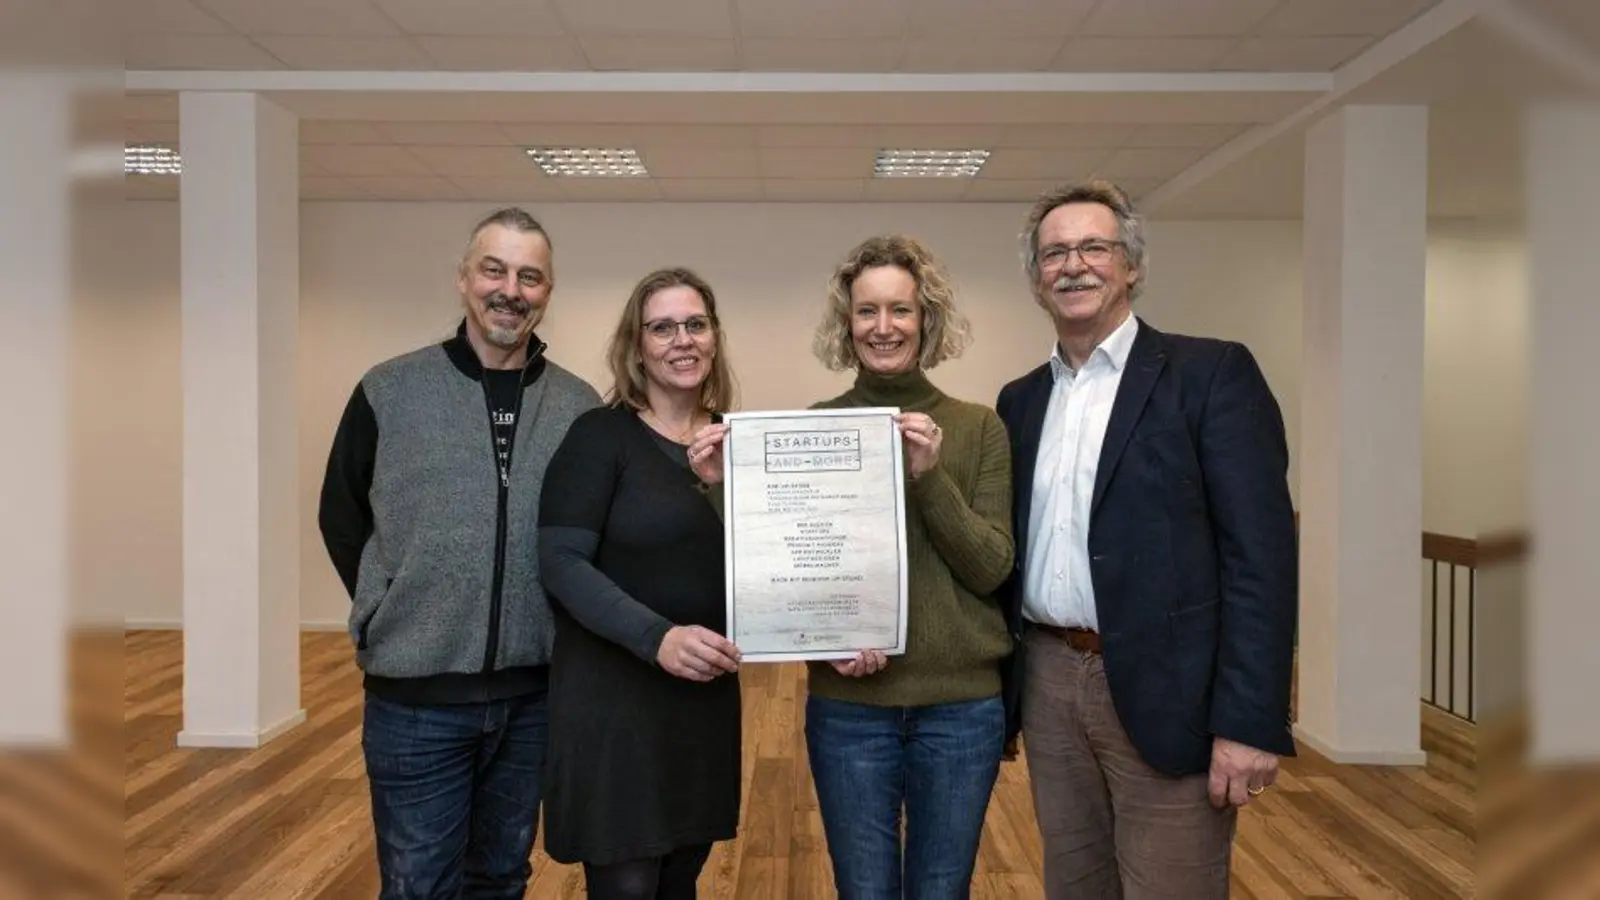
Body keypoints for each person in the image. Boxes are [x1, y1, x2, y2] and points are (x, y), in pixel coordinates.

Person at [995, 180, 1298, 899]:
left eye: (1093, 247)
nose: (1073, 265)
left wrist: (1250, 719)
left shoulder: (1210, 375)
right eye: (1054, 252)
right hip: (1048, 678)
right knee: (1074, 883)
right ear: (1037, 279)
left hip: (1172, 692)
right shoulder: (1019, 401)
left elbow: (1260, 560)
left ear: (1130, 265)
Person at [689, 234, 1015, 900]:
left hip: (961, 712)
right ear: (848, 324)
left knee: (941, 890)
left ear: (927, 322)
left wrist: (929, 478)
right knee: (862, 892)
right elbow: (778, 566)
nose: (883, 327)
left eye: (900, 310)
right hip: (851, 710)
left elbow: (990, 568)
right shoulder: (817, 425)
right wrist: (722, 488)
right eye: (867, 311)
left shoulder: (978, 428)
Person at [317, 207, 601, 899]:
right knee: (418, 884)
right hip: (416, 699)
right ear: (463, 279)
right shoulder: (390, 388)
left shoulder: (578, 406)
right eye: (494, 270)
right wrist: (391, 603)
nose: (511, 289)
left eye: (529, 276)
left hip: (534, 697)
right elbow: (341, 514)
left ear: (549, 291)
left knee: (502, 876)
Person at [536, 267, 743, 900]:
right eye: (662, 327)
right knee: (627, 883)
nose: (682, 340)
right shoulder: (599, 436)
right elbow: (561, 563)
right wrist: (658, 638)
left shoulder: (738, 443)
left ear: (713, 337)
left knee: (681, 877)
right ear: (637, 345)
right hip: (615, 702)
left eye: (695, 324)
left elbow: (771, 563)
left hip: (701, 701)